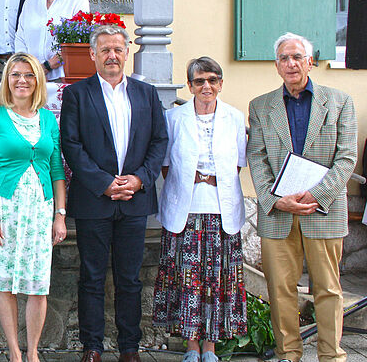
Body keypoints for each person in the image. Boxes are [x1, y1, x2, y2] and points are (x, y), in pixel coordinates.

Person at [60, 24, 168, 362]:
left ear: (127, 53)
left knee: (130, 279)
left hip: (135, 201)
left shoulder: (145, 94)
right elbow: (72, 145)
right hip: (94, 200)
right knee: (91, 276)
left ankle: (129, 348)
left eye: (118, 49)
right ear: (92, 54)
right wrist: (103, 182)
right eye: (104, 49)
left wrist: (139, 179)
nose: (112, 55)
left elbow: (158, 142)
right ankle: (92, 346)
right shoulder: (77, 94)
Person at [247, 32, 357, 362]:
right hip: (278, 213)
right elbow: (257, 157)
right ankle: (288, 354)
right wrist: (274, 199)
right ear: (276, 65)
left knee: (327, 290)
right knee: (280, 291)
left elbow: (347, 157)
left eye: (297, 57)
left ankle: (331, 356)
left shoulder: (340, 102)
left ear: (310, 61)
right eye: (284, 58)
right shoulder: (260, 106)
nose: (291, 63)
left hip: (323, 210)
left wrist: (317, 194)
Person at [153, 57, 248, 362]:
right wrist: (194, 182)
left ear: (221, 83)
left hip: (221, 210)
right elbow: (166, 166)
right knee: (187, 278)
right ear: (190, 85)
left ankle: (211, 348)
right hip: (186, 209)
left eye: (213, 80)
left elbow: (236, 166)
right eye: (199, 81)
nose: (206, 86)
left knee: (217, 281)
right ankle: (191, 348)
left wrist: (210, 179)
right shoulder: (174, 118)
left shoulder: (235, 117)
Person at [0, 52, 66, 362]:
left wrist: (60, 216)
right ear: (7, 80)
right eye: (15, 74)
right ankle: (14, 351)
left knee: (38, 285)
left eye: (29, 75)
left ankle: (33, 352)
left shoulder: (48, 118)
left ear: (38, 81)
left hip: (39, 210)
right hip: (4, 209)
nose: (22, 80)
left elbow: (56, 171)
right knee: (6, 284)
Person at [15, 0, 90, 82]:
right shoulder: (30, 2)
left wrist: (47, 66)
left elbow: (78, 41)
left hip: (62, 76)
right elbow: (20, 39)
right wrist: (28, 68)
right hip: (31, 77)